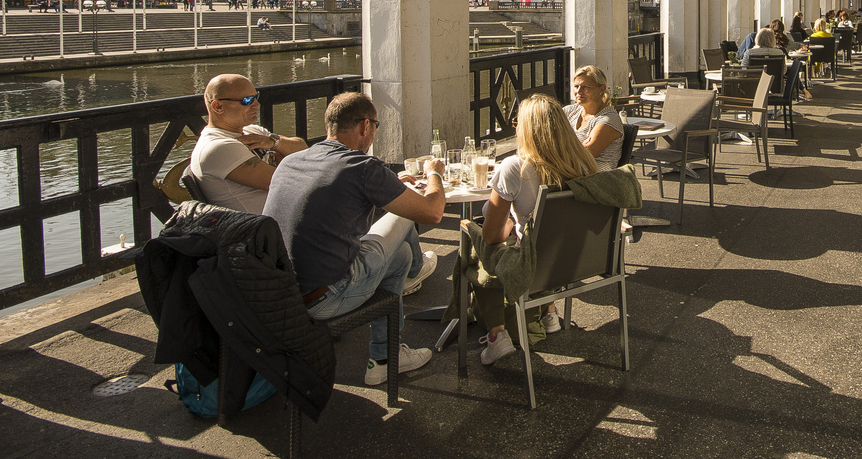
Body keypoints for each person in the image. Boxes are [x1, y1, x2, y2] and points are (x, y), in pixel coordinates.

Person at [264, 92, 444, 383]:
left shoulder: (292, 161)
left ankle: (386, 356)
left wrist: (389, 186)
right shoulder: (363, 167)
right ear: (364, 126)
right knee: (405, 217)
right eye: (376, 125)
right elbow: (433, 213)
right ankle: (417, 271)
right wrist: (433, 174)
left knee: (398, 256)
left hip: (279, 295)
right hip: (327, 297)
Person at [474, 94, 598, 365]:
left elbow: (491, 236)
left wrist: (506, 225)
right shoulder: (585, 164)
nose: (515, 126)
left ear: (528, 129)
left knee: (475, 247)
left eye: (518, 121)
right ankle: (549, 311)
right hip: (575, 263)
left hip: (536, 268)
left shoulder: (516, 168)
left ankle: (496, 335)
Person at [190, 73, 309, 214]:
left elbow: (304, 150)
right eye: (247, 100)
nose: (257, 105)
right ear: (218, 106)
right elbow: (286, 183)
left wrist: (274, 143)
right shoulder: (218, 147)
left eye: (256, 97)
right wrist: (286, 159)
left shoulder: (252, 131)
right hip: (266, 231)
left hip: (290, 217)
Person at [564, 65, 625, 169]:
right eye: (576, 86)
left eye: (585, 87)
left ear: (602, 89)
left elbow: (584, 156)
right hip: (571, 170)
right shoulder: (570, 111)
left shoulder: (608, 119)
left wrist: (562, 142)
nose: (578, 91)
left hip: (593, 179)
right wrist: (577, 146)